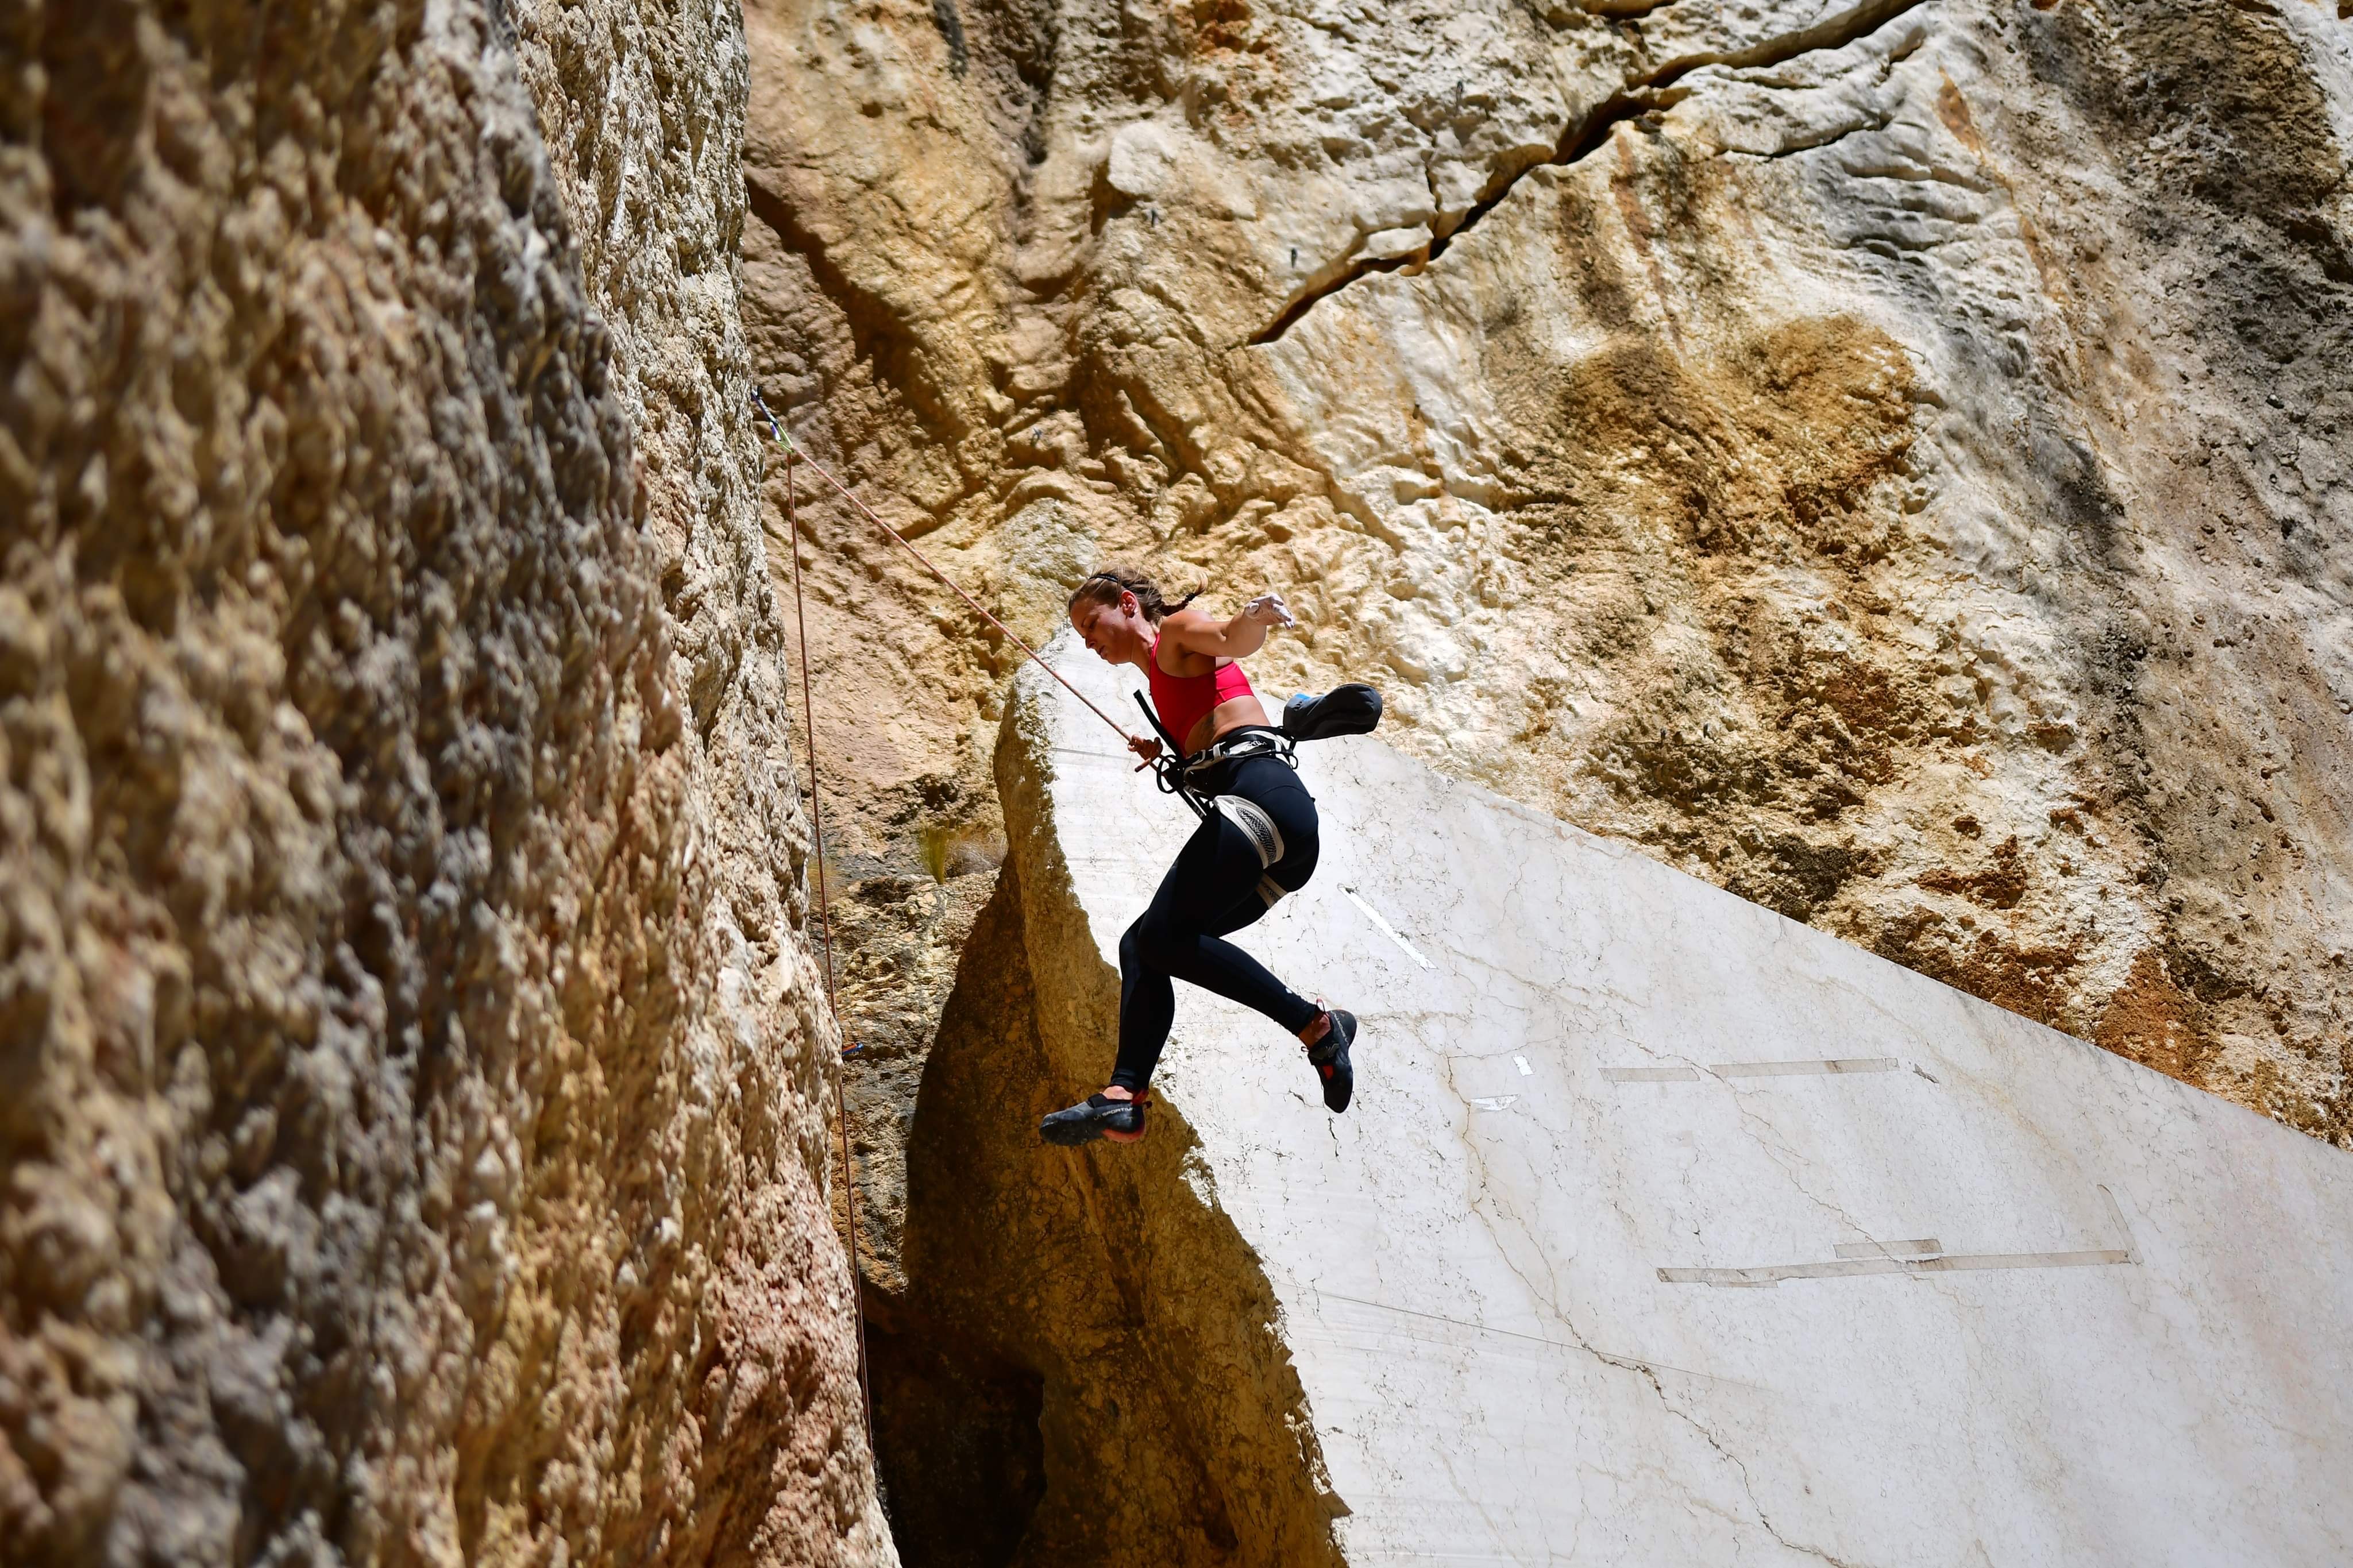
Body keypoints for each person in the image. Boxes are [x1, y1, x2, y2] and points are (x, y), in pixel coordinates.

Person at [1040, 566, 1358, 1146]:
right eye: (1082, 634)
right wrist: (1171, 754)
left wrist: (1254, 619)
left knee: (1158, 938)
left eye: (1093, 622)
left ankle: (1315, 1026)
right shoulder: (1162, 684)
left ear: (1128, 604)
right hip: (1276, 837)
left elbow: (1230, 639)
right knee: (1146, 943)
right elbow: (1207, 715)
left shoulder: (1176, 634)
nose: (1090, 640)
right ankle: (1124, 1095)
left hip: (1261, 797)